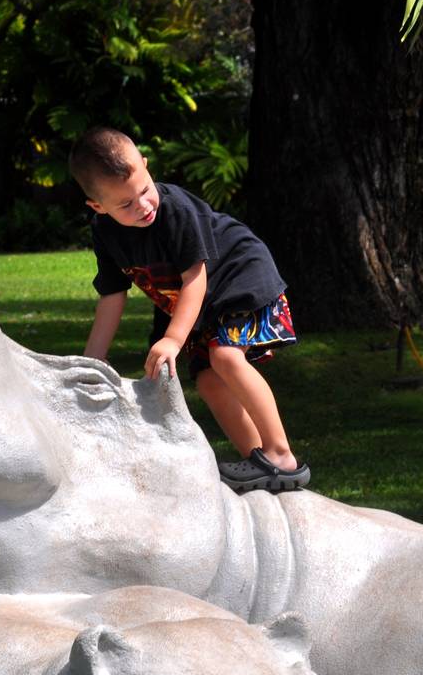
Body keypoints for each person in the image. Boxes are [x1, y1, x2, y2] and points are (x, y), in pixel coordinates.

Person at [68, 126, 309, 493]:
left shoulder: (176, 209)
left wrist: (173, 339)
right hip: (205, 301)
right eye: (126, 204)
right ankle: (261, 462)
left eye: (144, 190)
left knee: (226, 358)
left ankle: (281, 455)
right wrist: (91, 365)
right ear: (98, 207)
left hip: (239, 275)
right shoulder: (106, 233)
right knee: (210, 381)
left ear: (146, 167)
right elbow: (112, 297)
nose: (143, 206)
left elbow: (196, 279)